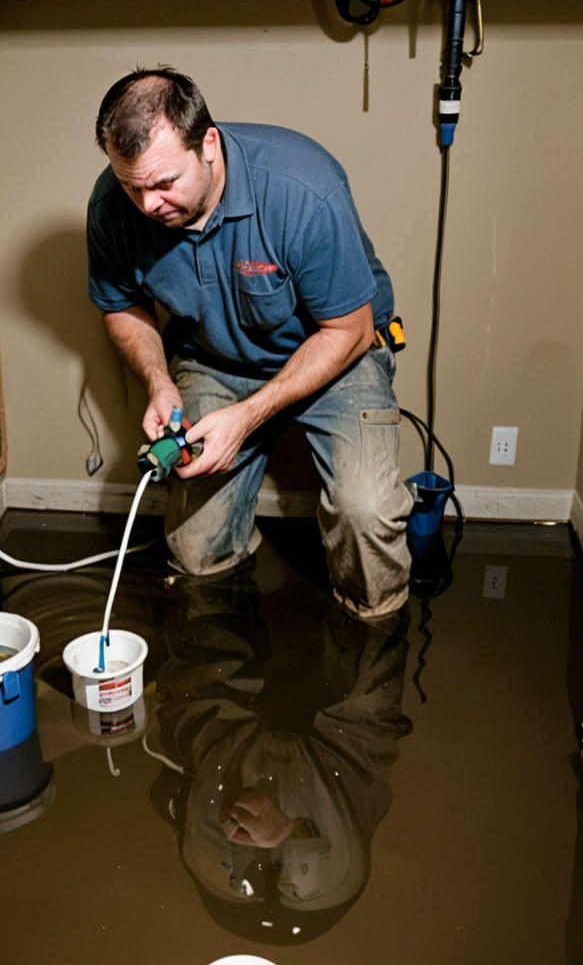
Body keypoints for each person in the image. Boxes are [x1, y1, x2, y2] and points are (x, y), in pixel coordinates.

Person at [87, 67, 414, 618]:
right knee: (194, 550)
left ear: (208, 144)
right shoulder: (113, 207)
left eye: (164, 183)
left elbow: (351, 329)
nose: (147, 204)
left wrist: (247, 417)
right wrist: (159, 379)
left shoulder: (302, 187)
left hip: (335, 352)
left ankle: (374, 638)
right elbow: (120, 306)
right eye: (131, 186)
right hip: (212, 359)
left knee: (366, 514)